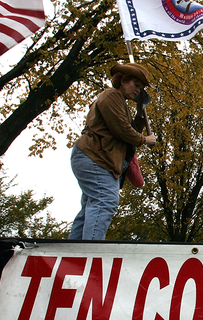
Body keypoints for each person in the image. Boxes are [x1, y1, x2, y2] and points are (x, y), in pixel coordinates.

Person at [69, 63, 156, 240]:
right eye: (136, 85)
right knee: (105, 201)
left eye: (140, 89)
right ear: (123, 80)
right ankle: (91, 254)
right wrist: (144, 140)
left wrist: (141, 111)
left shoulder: (119, 102)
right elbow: (122, 130)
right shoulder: (111, 95)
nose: (138, 91)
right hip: (96, 157)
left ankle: (74, 252)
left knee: (89, 208)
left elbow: (129, 129)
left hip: (98, 159)